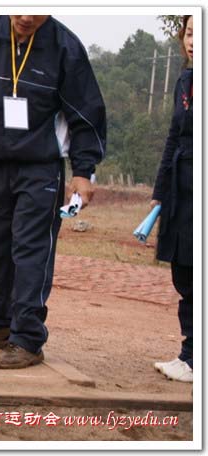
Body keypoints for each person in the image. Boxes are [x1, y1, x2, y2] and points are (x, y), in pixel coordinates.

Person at [0, 15, 107, 369]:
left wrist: (83, 171)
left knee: (30, 252)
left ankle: (27, 339)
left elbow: (86, 112)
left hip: (40, 168)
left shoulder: (65, 46)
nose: (27, 16)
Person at [152, 15, 193, 383]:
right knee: (184, 272)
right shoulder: (185, 80)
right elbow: (172, 138)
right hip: (182, 191)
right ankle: (190, 354)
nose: (193, 41)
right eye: (190, 32)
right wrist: (160, 192)